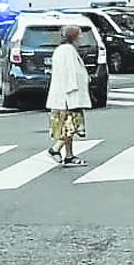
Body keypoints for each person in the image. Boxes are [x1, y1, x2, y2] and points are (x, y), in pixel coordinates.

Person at [46, 25, 90, 167]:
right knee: (71, 125)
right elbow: (70, 74)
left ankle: (69, 155)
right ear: (74, 36)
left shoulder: (64, 50)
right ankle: (55, 149)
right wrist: (73, 94)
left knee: (66, 126)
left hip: (64, 95)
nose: (82, 37)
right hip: (68, 97)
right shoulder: (67, 51)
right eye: (80, 34)